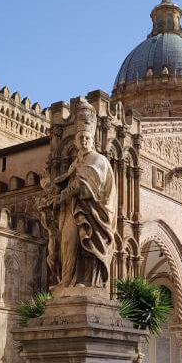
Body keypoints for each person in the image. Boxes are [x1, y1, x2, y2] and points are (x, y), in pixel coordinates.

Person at [42, 98, 117, 288]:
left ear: (93, 140)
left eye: (87, 138)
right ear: (75, 141)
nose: (83, 141)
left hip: (94, 214)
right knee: (67, 241)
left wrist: (62, 195)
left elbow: (83, 183)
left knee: (88, 244)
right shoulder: (76, 162)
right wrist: (50, 187)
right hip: (74, 209)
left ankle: (87, 282)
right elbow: (68, 180)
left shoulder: (98, 159)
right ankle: (67, 280)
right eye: (80, 137)